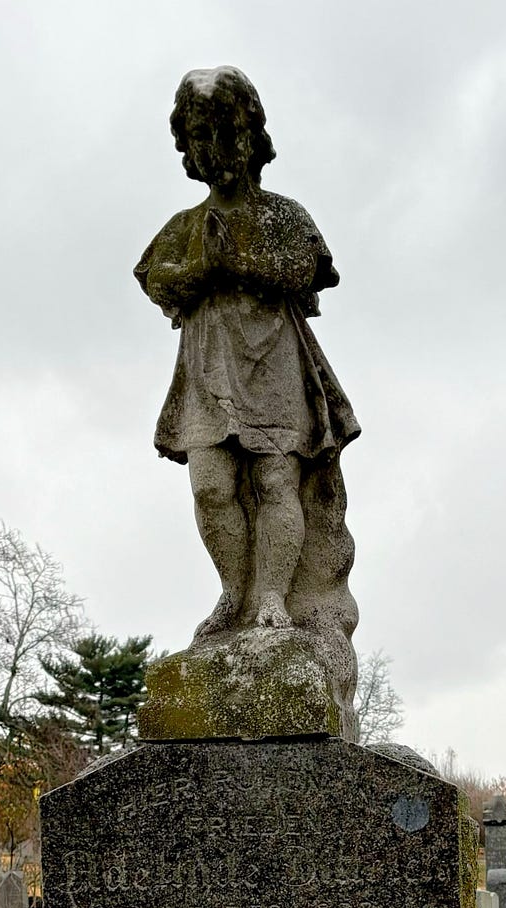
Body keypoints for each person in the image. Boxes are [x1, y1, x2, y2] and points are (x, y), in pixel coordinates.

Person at [136, 67, 360, 641]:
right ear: (188, 148)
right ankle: (233, 591)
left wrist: (230, 263)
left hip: (274, 367)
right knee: (211, 486)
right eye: (200, 137)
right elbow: (155, 279)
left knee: (275, 482)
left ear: (252, 137)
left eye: (225, 133)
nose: (214, 150)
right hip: (209, 369)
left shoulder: (282, 215)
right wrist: (198, 269)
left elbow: (307, 269)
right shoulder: (183, 227)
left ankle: (272, 597)